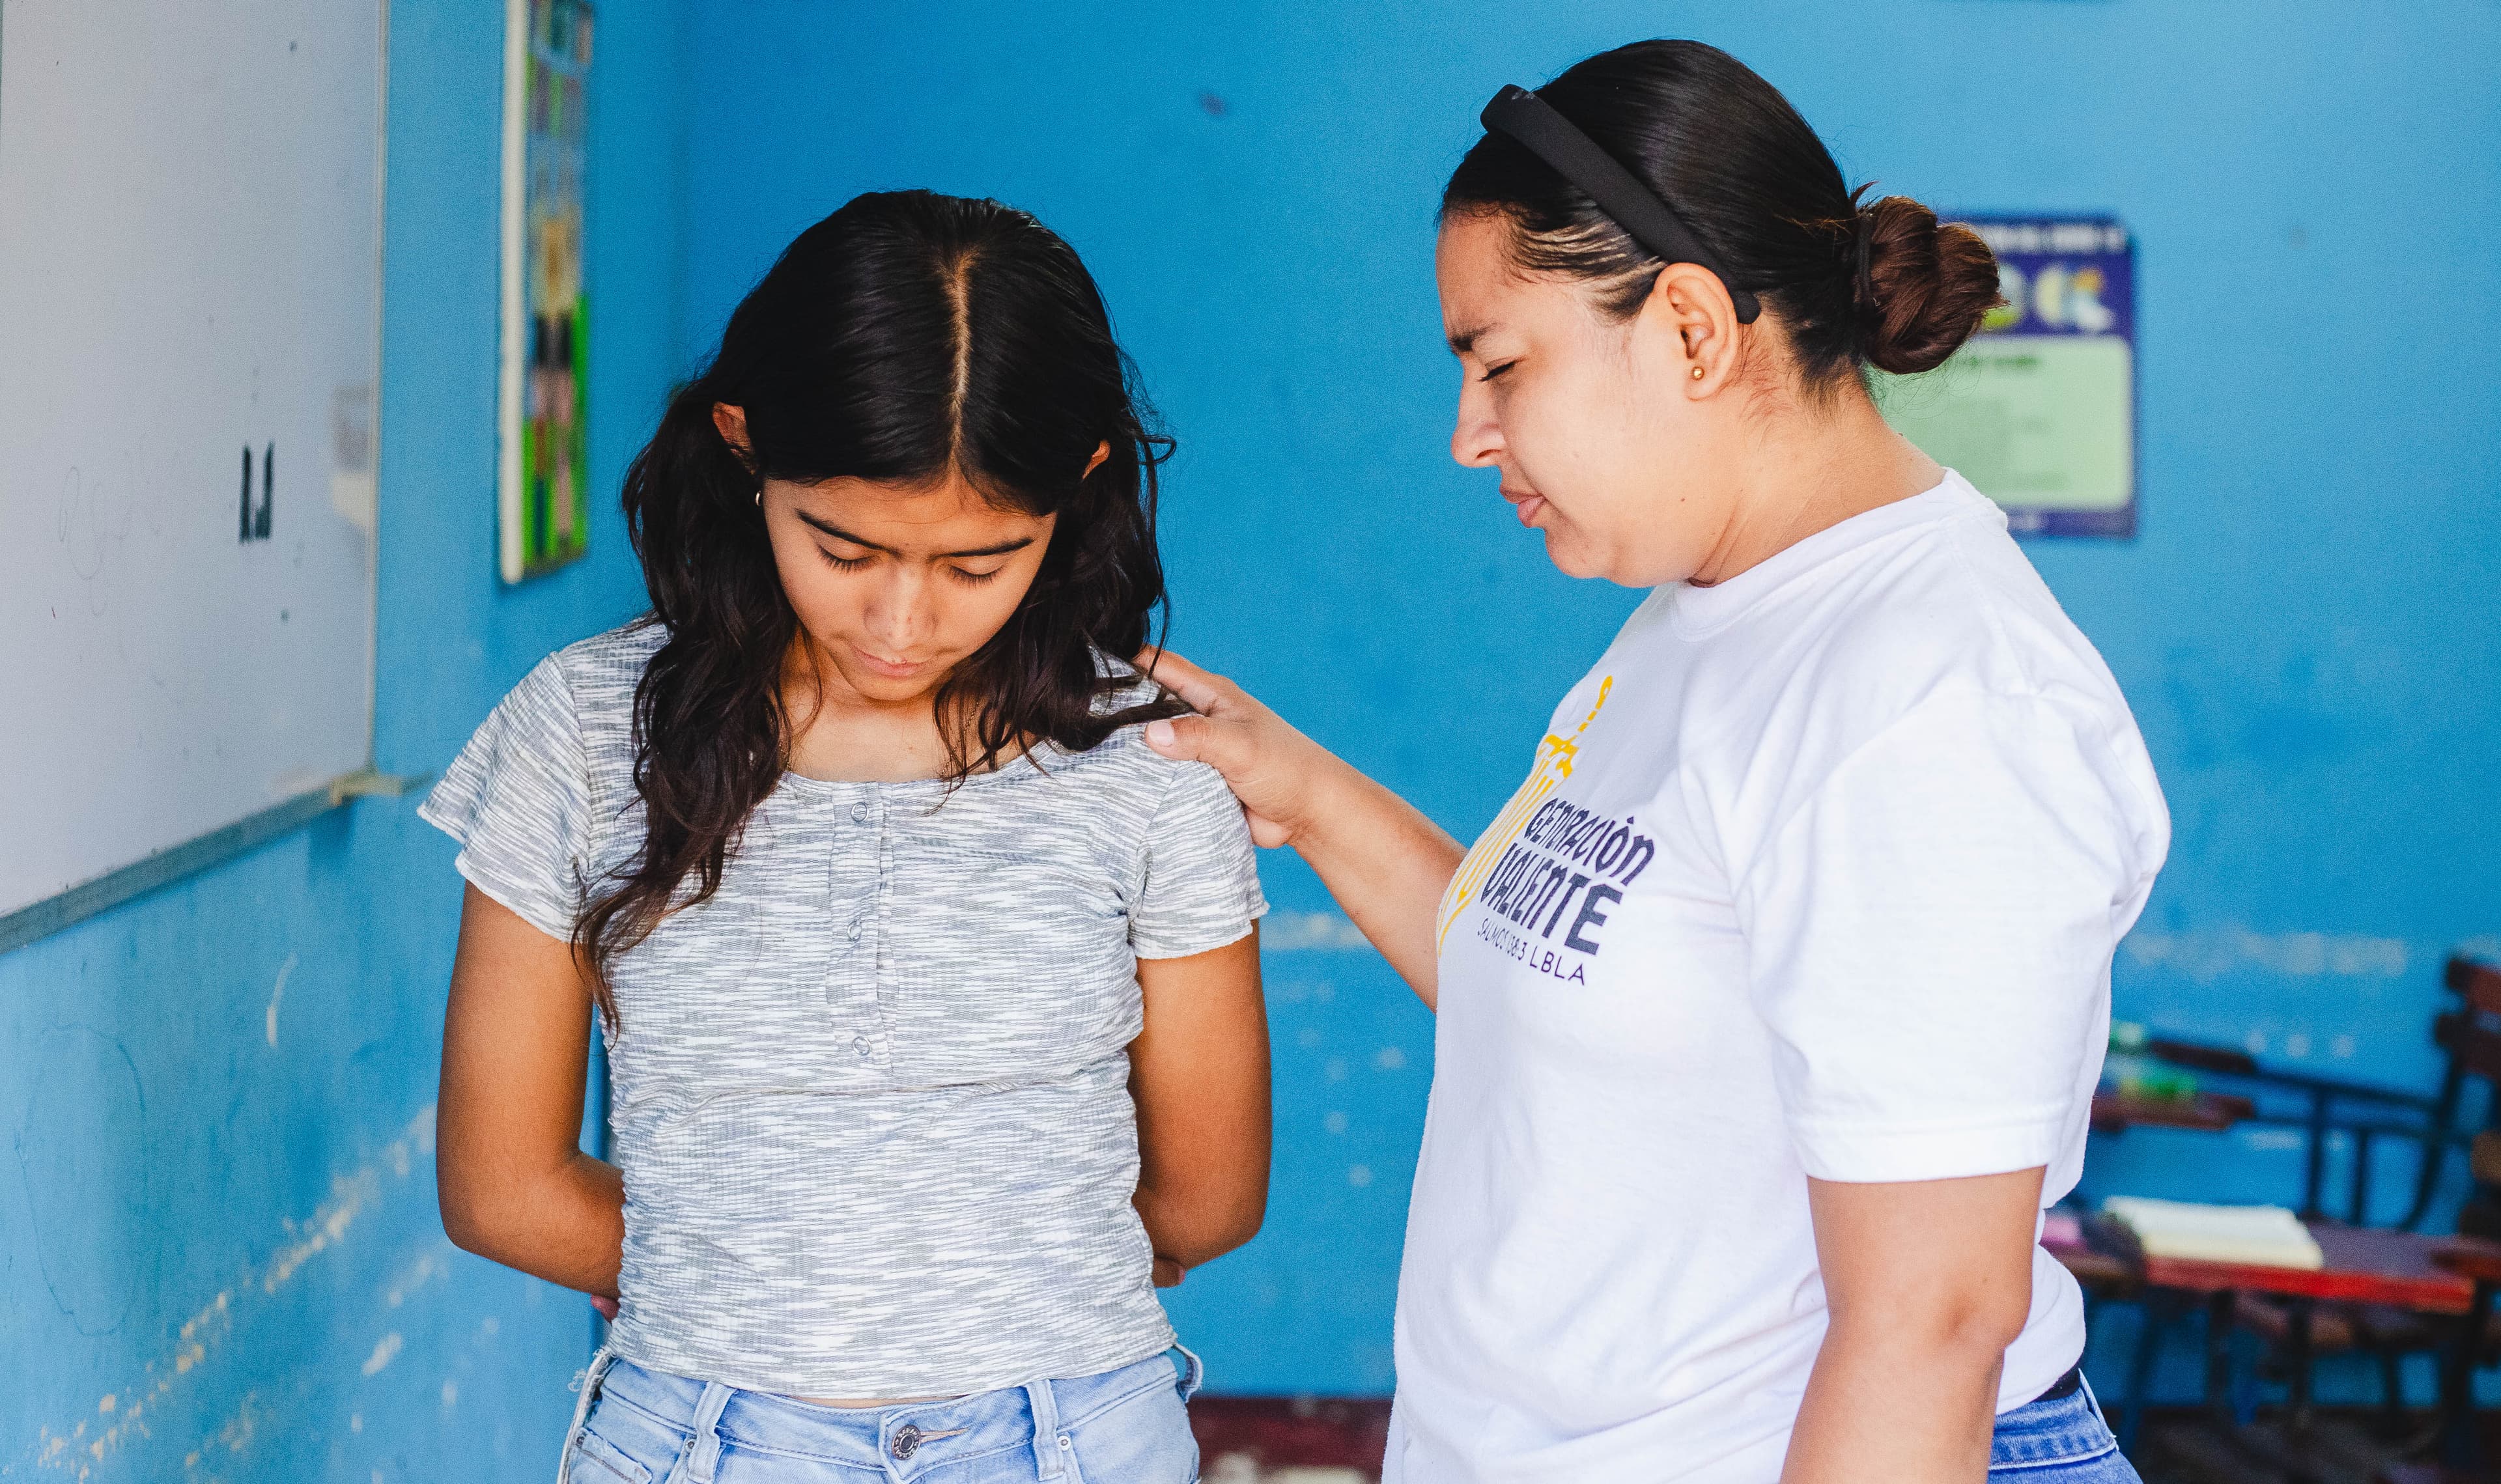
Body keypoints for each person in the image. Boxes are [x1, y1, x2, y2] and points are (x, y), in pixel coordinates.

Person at [1140, 40, 2169, 1484]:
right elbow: (1581, 987)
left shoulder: (1922, 698)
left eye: (1500, 364)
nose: (1468, 437)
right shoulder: (1711, 612)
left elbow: (1931, 1320)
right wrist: (1307, 793)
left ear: (1692, 329)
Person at [421, 190, 1271, 1484]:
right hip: (699, 1444)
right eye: (843, 544)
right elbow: (499, 1186)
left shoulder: (1155, 759)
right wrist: (923, 1281)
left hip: (1072, 1446)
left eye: (980, 563)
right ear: (745, 446)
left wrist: (788, 1284)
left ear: (1079, 485)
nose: (902, 619)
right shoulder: (581, 730)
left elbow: (1211, 1195)